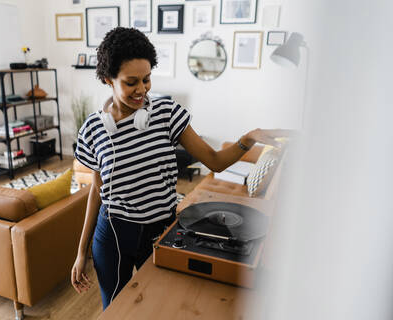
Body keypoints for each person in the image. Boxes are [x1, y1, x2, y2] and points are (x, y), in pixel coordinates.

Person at [71, 27, 289, 309]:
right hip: (112, 233)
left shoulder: (167, 113)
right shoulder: (92, 129)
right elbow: (97, 190)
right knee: (114, 309)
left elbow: (214, 160)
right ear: (107, 80)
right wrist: (80, 251)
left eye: (147, 79)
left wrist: (248, 139)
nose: (142, 90)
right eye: (131, 82)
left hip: (160, 229)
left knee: (162, 304)